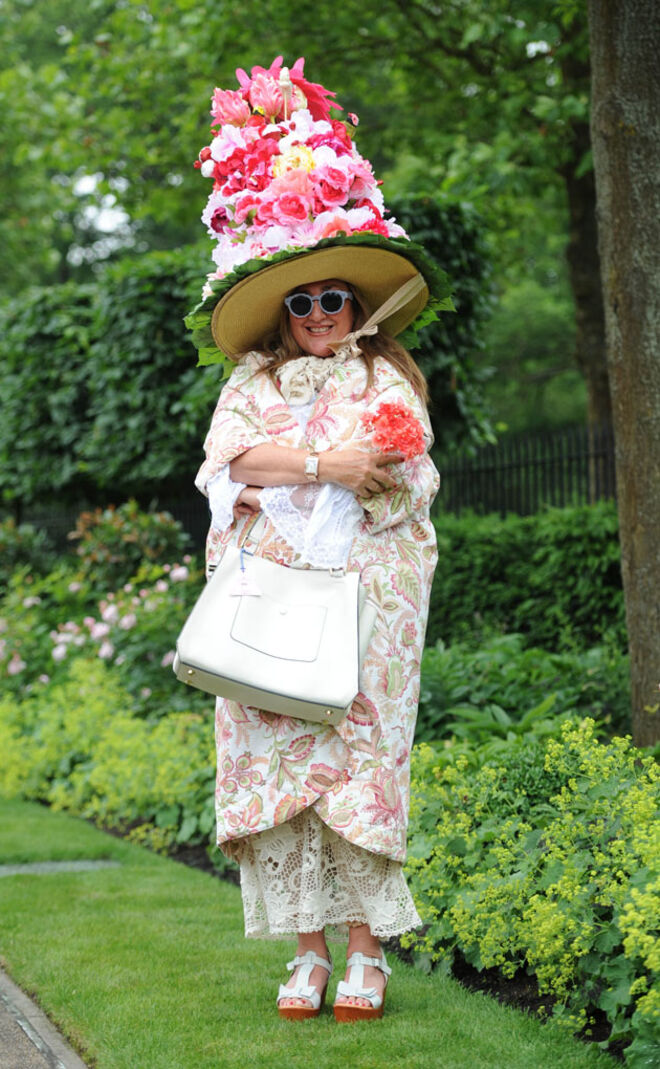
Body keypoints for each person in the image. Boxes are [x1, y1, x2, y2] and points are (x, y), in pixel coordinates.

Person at [186, 57, 451, 1022]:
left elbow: (404, 470)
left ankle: (368, 952)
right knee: (280, 758)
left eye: (332, 296)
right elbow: (226, 462)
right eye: (298, 302)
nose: (316, 314)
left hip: (366, 599)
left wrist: (315, 469)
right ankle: (305, 952)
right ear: (280, 314)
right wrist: (319, 466)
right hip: (271, 602)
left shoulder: (390, 380)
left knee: (362, 756)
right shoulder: (246, 380)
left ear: (356, 301)